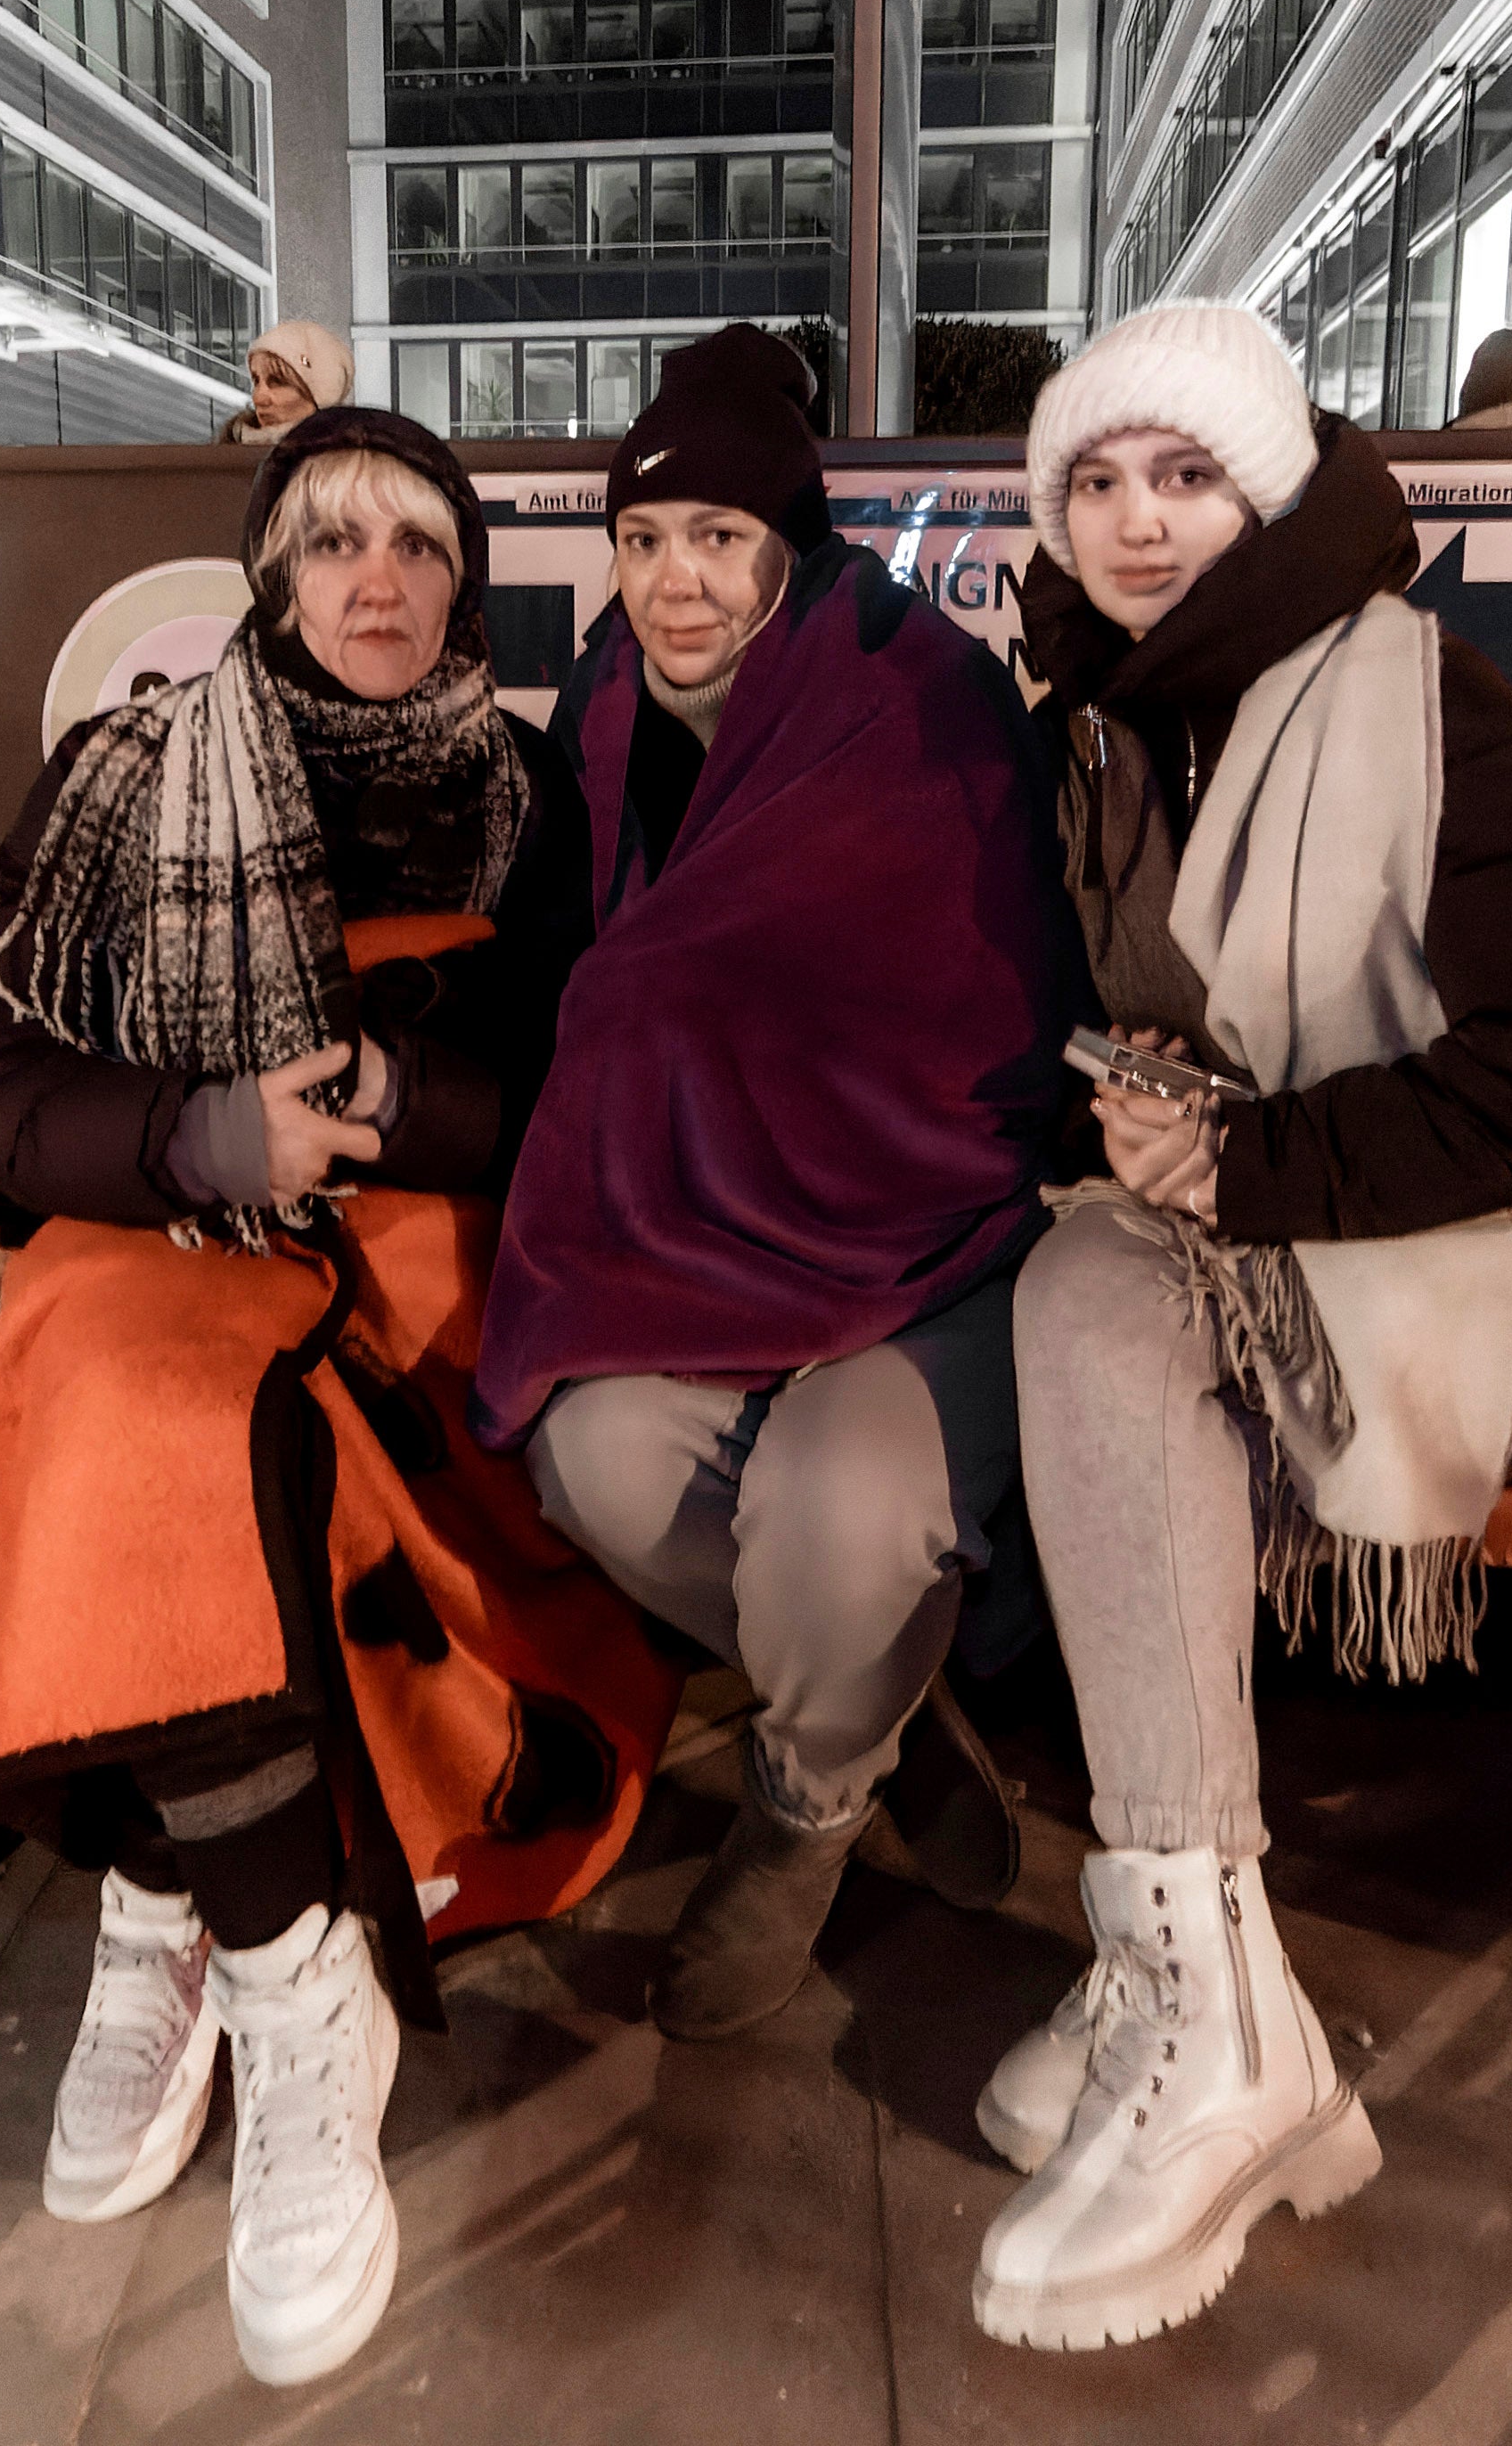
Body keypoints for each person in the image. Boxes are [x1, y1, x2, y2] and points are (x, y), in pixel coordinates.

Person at [0, 408, 670, 2388]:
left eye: (414, 546)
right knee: (140, 1405)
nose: (373, 579)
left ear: (462, 584)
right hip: (155, 1231)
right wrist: (194, 1137)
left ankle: (168, 1899)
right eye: (330, 539)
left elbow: (594, 1084)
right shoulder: (121, 775)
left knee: (238, 1443)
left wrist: (400, 1104)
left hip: (419, 1261)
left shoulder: (532, 799)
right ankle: (291, 1969)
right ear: (272, 572)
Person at [968, 299, 1512, 2352]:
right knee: (1063, 1273)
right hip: (1322, 1225)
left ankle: (1199, 1996)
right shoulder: (1115, 715)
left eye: (1183, 470)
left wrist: (1240, 1167)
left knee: (1096, 1301)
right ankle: (1207, 1982)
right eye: (1092, 478)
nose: (1132, 516)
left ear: (1268, 484)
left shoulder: (1411, 694)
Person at [474, 323, 1080, 2042]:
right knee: (588, 1457)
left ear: (789, 545)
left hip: (916, 1240)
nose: (676, 582)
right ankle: (885, 1722)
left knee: (833, 1509)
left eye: (719, 540)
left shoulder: (912, 698)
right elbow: (595, 983)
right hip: (700, 1243)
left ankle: (802, 1813)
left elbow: (979, 1012)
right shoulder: (597, 712)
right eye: (646, 542)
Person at [217, 318, 353, 443]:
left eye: (278, 382)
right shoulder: (225, 456)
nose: (259, 398)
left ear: (322, 395)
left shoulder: (354, 461)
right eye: (256, 381)